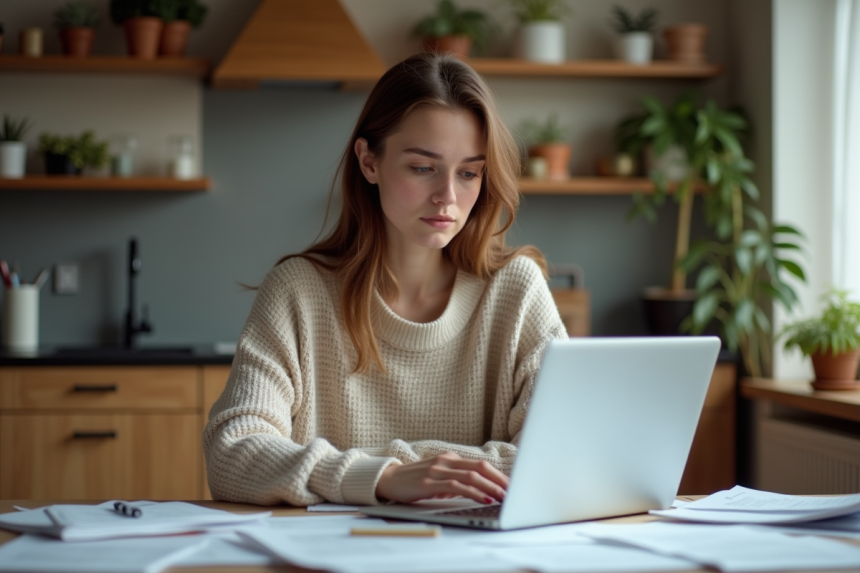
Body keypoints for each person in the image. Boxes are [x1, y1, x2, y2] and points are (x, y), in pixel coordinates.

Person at [203, 52, 567, 508]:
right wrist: (382, 477)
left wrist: (391, 472)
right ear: (369, 161)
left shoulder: (517, 290)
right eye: (422, 167)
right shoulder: (298, 290)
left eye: (469, 172)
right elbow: (230, 453)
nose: (448, 197)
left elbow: (563, 456)